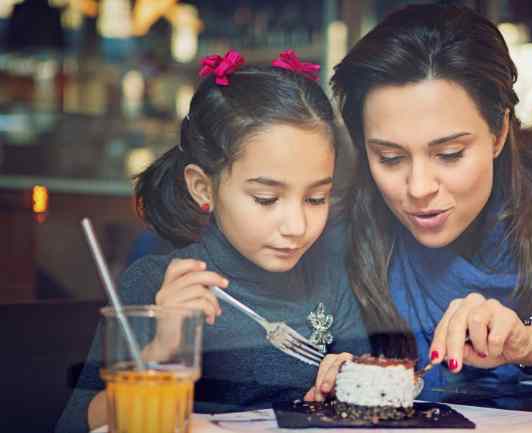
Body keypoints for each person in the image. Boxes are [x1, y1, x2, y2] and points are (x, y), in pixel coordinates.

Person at [306, 4, 532, 401]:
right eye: (390, 158)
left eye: (449, 154)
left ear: (499, 131)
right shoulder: (328, 208)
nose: (418, 188)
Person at [57, 49, 370, 432]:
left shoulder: (330, 278)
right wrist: (160, 352)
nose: (296, 224)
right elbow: (75, 424)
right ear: (203, 187)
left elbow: (362, 405)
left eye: (316, 198)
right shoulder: (156, 285)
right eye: (266, 199)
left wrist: (347, 383)